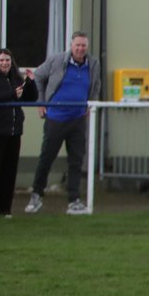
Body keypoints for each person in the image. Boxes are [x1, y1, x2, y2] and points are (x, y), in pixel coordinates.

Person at [25, 31, 101, 215]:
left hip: (78, 120)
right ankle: (36, 196)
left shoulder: (93, 63)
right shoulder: (56, 60)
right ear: (71, 45)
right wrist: (41, 103)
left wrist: (90, 105)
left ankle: (74, 200)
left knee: (76, 161)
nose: (81, 49)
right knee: (46, 159)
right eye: (78, 45)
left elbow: (96, 85)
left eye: (84, 45)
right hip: (56, 118)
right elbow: (38, 77)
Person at [0, 48, 37, 216]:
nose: (5, 63)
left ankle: (3, 209)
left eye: (7, 60)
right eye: (1, 60)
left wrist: (30, 83)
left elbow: (29, 98)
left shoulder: (15, 78)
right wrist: (11, 93)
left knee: (9, 172)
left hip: (13, 132)